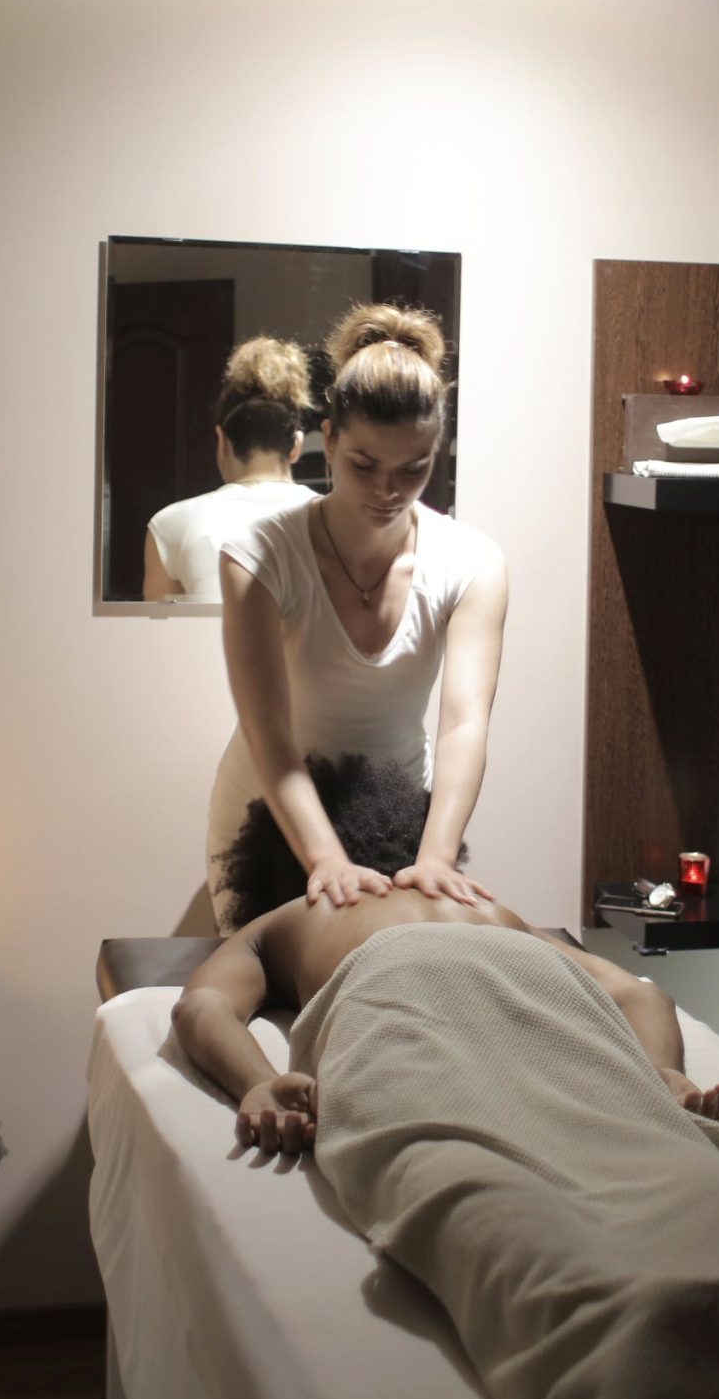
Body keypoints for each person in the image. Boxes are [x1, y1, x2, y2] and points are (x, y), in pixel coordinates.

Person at [174, 755, 719, 1155]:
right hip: (531, 991)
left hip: (397, 990)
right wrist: (662, 1075)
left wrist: (257, 1082)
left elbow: (200, 1006)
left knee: (455, 1156)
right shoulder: (482, 908)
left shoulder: (298, 912)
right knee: (613, 1144)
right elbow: (643, 993)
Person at [202, 303, 506, 930]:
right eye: (363, 465)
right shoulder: (258, 556)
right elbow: (268, 730)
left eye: (413, 469)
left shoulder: (473, 561)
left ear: (437, 450)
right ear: (329, 439)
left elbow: (463, 724)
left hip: (395, 812)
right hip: (270, 816)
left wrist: (437, 856)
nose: (387, 491)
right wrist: (325, 860)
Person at [142, 336, 317, 603]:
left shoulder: (171, 524)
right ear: (296, 445)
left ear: (222, 441)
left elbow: (157, 625)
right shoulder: (334, 521)